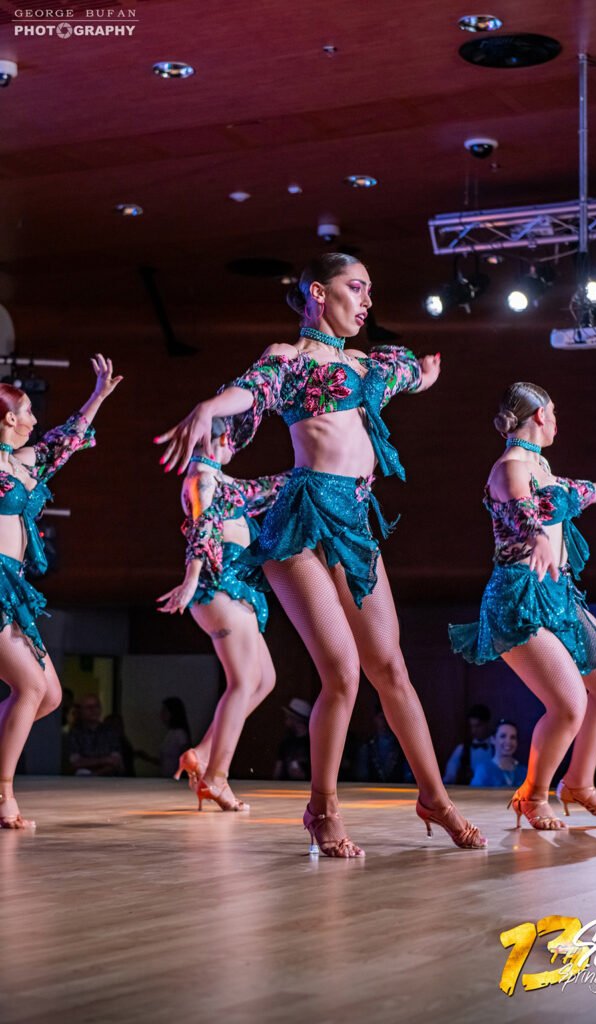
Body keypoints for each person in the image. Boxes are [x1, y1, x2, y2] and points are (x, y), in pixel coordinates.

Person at [156, 252, 486, 856]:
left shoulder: (365, 364)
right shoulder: (289, 360)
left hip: (356, 522)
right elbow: (247, 390)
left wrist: (426, 375)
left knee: (391, 670)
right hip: (303, 519)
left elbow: (407, 372)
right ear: (317, 292)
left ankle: (434, 796)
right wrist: (208, 406)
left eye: (370, 291)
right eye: (355, 287)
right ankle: (322, 809)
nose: (365, 301)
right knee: (342, 675)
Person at [449, 382, 596, 829]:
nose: (557, 420)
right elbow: (523, 510)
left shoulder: (540, 465)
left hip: (557, 595)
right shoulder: (510, 467)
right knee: (570, 703)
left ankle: (578, 781)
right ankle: (533, 796)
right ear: (540, 415)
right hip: (518, 597)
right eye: (553, 412)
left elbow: (574, 492)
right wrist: (538, 535)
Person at [0, 355, 121, 827]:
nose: (34, 418)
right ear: (9, 416)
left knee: (48, 694)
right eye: (28, 409)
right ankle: (3, 793)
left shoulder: (25, 463)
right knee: (30, 685)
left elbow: (64, 442)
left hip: (15, 584)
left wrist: (97, 396)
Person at [157, 418, 288, 810]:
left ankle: (202, 753)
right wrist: (192, 578)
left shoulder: (221, 480)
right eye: (231, 437)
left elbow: (267, 489)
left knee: (264, 679)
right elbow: (204, 528)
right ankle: (217, 776)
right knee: (244, 681)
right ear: (217, 440)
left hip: (234, 590)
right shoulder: (202, 478)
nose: (236, 443)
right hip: (220, 586)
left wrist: (317, 471)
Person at [66, 694, 124, 777]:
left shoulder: (110, 732)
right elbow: (75, 763)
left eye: (96, 706)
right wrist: (105, 760)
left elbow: (116, 762)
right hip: (80, 784)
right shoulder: (75, 734)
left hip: (110, 783)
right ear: (81, 710)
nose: (93, 710)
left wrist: (93, 773)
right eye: (88, 707)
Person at [442, 703, 494, 785]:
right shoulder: (462, 749)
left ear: (487, 724)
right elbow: (450, 776)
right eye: (472, 726)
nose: (474, 731)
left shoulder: (498, 747)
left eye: (478, 726)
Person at [356, 703, 408, 783]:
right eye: (382, 718)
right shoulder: (366, 747)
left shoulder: (403, 747)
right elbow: (361, 777)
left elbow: (408, 778)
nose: (385, 722)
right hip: (370, 793)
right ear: (375, 719)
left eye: (389, 718)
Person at [471, 719, 527, 788]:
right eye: (503, 736)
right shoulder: (484, 770)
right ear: (493, 739)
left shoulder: (524, 771)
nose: (508, 741)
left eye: (513, 737)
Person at [273, 697, 311, 781]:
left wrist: (304, 776)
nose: (286, 720)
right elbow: (278, 770)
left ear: (297, 720)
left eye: (288, 717)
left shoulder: (313, 744)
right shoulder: (286, 742)